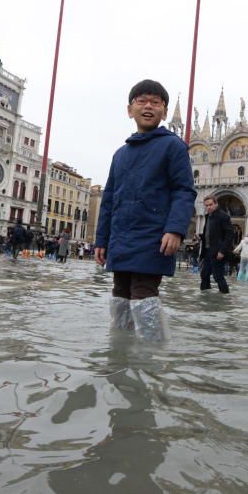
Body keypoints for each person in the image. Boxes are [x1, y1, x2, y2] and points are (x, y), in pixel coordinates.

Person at [95, 79, 196, 341]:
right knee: (120, 293)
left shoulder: (173, 146)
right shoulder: (120, 154)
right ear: (130, 110)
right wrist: (101, 240)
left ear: (164, 111)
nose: (148, 106)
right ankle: (119, 351)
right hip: (121, 236)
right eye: (142, 101)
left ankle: (152, 359)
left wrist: (175, 229)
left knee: (143, 293)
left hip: (153, 236)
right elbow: (109, 199)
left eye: (156, 102)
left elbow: (184, 191)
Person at [199, 195, 235, 294]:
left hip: (218, 251)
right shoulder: (208, 216)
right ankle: (205, 296)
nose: (208, 207)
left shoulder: (223, 216)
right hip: (208, 250)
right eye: (206, 205)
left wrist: (222, 251)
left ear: (216, 204)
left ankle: (225, 296)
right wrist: (201, 237)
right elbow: (212, 234)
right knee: (204, 274)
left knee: (218, 276)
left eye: (210, 205)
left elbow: (230, 234)